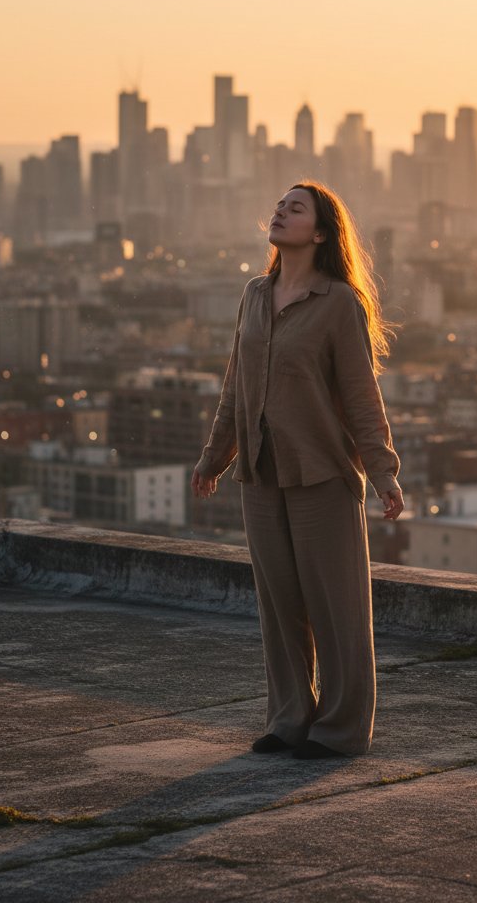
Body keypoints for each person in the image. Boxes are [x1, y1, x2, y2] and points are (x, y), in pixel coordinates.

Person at [191, 180, 403, 760]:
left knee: (336, 609)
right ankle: (288, 720)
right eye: (280, 205)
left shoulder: (339, 303)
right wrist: (214, 458)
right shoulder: (255, 295)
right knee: (278, 606)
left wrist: (383, 472)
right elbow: (237, 385)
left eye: (296, 208)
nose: (281, 213)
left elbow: (361, 396)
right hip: (261, 475)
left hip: (322, 473)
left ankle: (339, 730)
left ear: (321, 232)